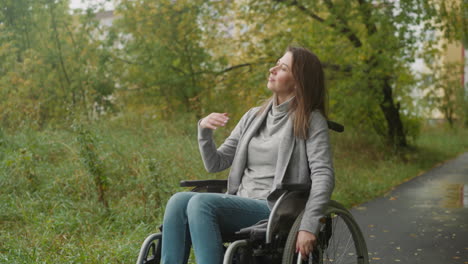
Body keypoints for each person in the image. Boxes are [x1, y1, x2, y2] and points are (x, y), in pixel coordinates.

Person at [161, 45, 334, 264]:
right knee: (178, 201)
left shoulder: (311, 120)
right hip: (240, 202)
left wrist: (310, 225)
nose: (272, 69)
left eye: (282, 68)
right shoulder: (254, 116)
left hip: (275, 209)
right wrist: (204, 131)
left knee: (200, 204)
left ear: (299, 81)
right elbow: (216, 163)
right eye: (276, 64)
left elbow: (323, 176)